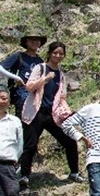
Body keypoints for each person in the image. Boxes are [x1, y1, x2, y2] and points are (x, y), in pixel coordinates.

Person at [20, 41, 78, 186]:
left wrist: (68, 112)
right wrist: (45, 79)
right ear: (49, 53)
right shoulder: (40, 68)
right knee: (30, 144)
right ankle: (24, 175)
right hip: (36, 112)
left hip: (52, 114)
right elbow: (29, 87)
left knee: (70, 141)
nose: (57, 56)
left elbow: (62, 97)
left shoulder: (61, 75)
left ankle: (74, 173)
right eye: (55, 53)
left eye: (61, 53)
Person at [0, 30, 47, 118]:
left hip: (35, 95)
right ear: (26, 42)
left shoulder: (40, 61)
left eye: (37, 40)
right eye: (31, 40)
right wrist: (16, 78)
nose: (34, 42)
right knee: (21, 120)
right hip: (21, 93)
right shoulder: (19, 56)